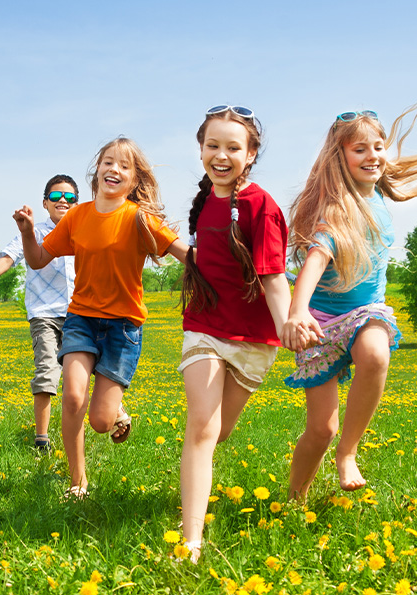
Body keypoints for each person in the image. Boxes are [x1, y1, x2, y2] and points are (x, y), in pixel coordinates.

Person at [281, 99, 417, 500]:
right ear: (339, 157)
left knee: (375, 354)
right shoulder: (334, 211)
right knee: (321, 429)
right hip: (319, 323)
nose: (372, 156)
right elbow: (316, 260)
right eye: (359, 149)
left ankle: (348, 453)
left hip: (365, 312)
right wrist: (297, 311)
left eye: (378, 147)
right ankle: (294, 499)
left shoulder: (377, 194)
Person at [14, 138, 189, 499]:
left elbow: (184, 253)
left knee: (100, 421)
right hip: (82, 318)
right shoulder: (77, 216)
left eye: (124, 166)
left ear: (134, 178)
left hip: (123, 328)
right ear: (97, 169)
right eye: (108, 162)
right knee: (72, 396)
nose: (114, 169)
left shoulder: (140, 219)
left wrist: (232, 268)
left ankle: (115, 411)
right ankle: (77, 482)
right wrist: (28, 232)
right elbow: (37, 259)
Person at [176, 106, 291, 561]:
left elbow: (273, 278)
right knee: (202, 427)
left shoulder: (262, 206)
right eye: (213, 146)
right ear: (201, 149)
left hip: (255, 338)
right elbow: (203, 259)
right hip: (205, 326)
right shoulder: (204, 201)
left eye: (232, 147)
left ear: (251, 153)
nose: (221, 155)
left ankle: (195, 489)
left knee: (218, 432)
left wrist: (289, 327)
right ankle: (190, 539)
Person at [0, 174, 123, 451]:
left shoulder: (87, 230)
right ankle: (42, 440)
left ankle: (116, 409)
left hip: (83, 313)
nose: (62, 200)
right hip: (45, 315)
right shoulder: (34, 233)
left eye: (69, 197)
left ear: (77, 204)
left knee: (93, 367)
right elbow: (8, 259)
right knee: (47, 371)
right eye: (55, 196)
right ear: (45, 203)